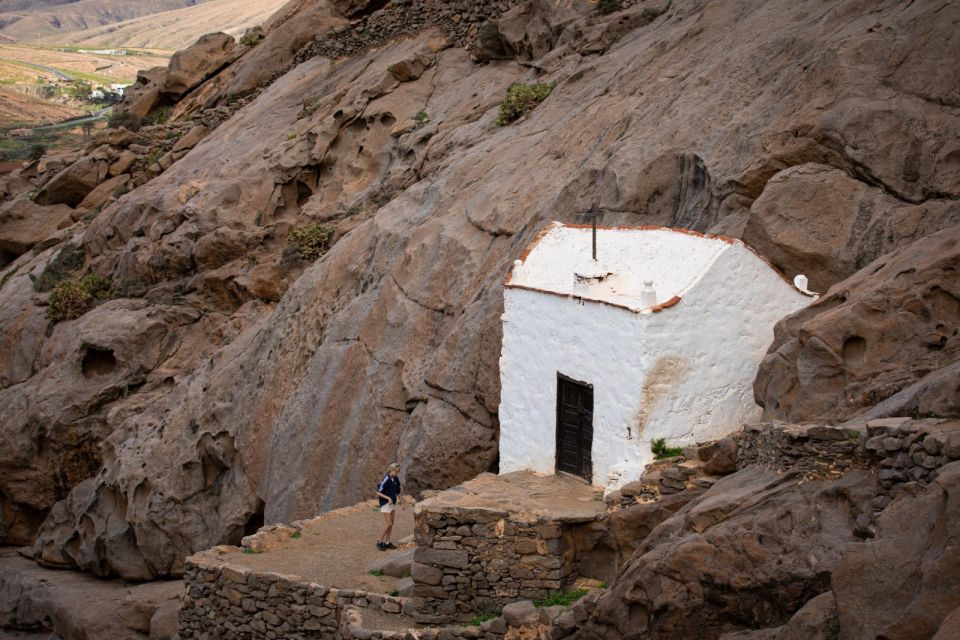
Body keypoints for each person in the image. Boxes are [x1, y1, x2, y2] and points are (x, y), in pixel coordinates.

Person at [375, 462, 402, 550]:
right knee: (388, 523)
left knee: (391, 524)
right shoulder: (386, 479)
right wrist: (388, 498)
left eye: (398, 472)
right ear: (392, 470)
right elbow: (378, 492)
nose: (398, 473)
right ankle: (379, 541)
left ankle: (387, 542)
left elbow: (398, 492)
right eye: (396, 472)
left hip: (392, 504)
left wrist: (402, 502)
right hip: (385, 504)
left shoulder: (396, 479)